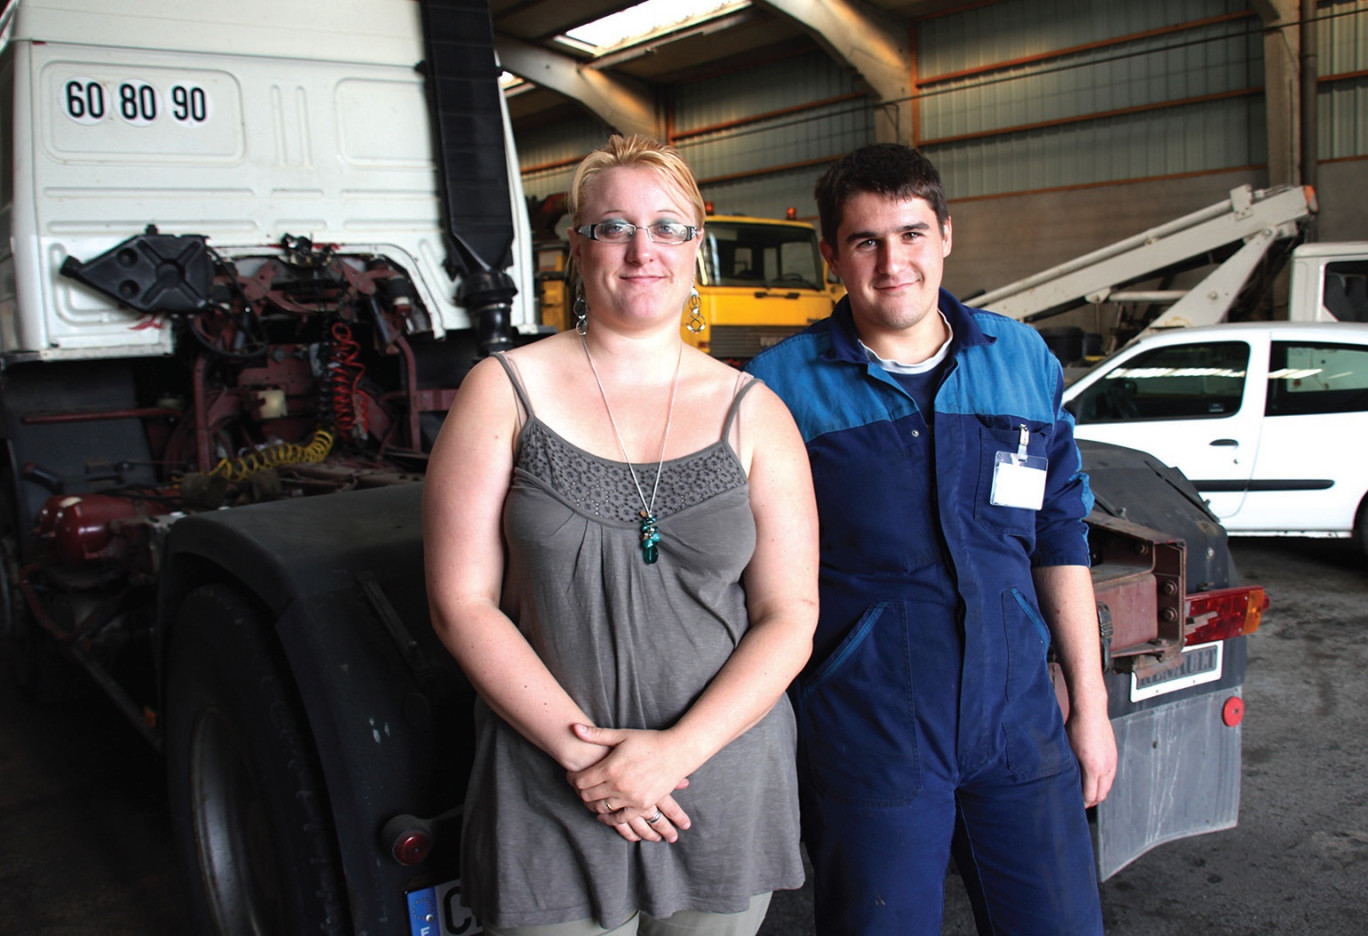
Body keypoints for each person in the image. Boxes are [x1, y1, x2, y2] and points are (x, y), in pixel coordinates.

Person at [423, 134, 818, 936]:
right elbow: (461, 604)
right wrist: (591, 762)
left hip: (720, 781)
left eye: (668, 228)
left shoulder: (756, 412)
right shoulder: (501, 392)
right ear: (577, 246)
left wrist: (672, 756)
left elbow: (791, 614)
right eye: (614, 228)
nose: (644, 251)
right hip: (550, 783)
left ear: (694, 250)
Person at [745, 143, 1118, 935]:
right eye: (866, 241)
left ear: (946, 234)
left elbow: (1059, 537)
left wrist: (1089, 707)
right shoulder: (779, 387)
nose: (893, 263)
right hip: (870, 725)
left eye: (912, 234)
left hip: (1020, 719)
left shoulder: (1020, 358)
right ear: (832, 257)